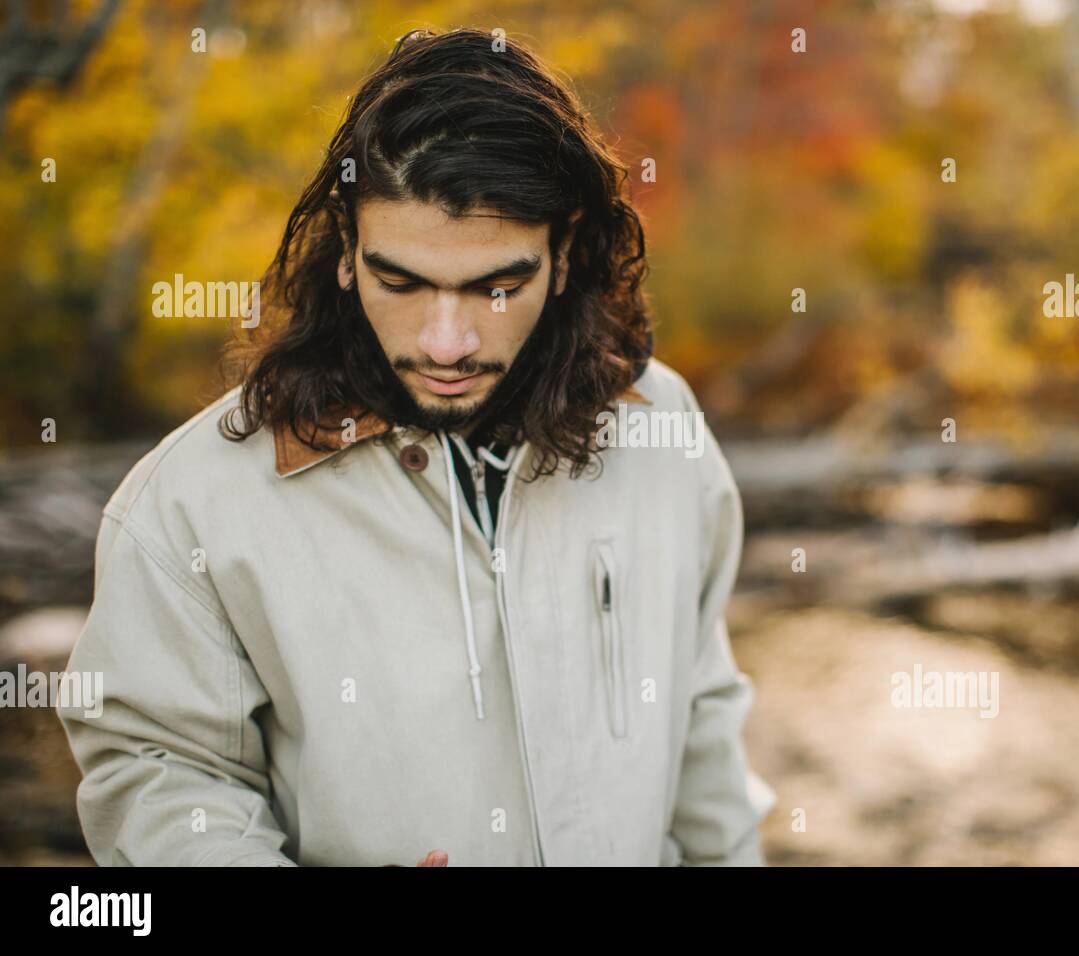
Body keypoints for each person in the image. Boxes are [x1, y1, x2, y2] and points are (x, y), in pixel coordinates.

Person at [57, 26, 776, 866]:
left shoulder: (663, 429)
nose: (444, 342)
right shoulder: (189, 504)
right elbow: (158, 771)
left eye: (496, 286)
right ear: (345, 250)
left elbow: (703, 728)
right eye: (400, 281)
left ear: (566, 250)